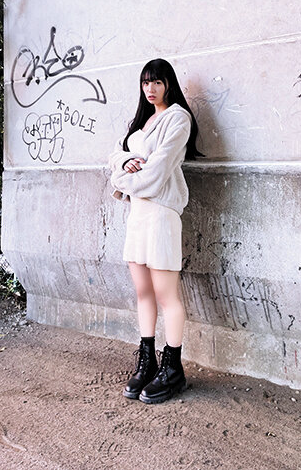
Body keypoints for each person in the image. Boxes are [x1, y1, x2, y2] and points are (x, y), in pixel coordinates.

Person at [108, 58, 201, 404]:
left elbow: (157, 173)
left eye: (157, 82)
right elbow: (113, 156)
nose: (151, 89)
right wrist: (123, 163)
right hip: (138, 216)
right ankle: (147, 362)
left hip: (162, 214)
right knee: (143, 292)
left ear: (168, 84)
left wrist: (121, 179)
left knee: (166, 296)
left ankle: (173, 369)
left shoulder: (178, 118)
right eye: (146, 82)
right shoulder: (140, 123)